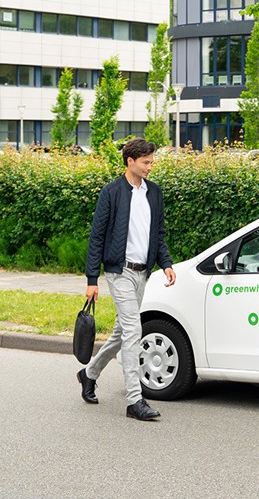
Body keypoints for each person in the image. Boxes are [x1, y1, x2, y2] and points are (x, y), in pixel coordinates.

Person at [76, 137, 176, 421]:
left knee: (123, 333)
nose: (150, 166)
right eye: (145, 162)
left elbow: (158, 234)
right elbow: (97, 236)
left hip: (143, 272)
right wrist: (92, 278)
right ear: (130, 161)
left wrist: (165, 263)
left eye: (151, 161)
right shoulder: (112, 193)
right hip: (118, 272)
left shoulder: (153, 193)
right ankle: (135, 400)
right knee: (134, 330)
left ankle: (89, 373)